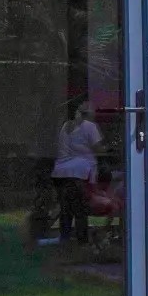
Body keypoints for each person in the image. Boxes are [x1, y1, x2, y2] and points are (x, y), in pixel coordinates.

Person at [51, 100, 104, 243]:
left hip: (60, 172)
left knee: (66, 209)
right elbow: (98, 149)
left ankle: (65, 238)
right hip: (79, 173)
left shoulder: (65, 126)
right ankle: (82, 240)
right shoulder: (90, 127)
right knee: (80, 208)